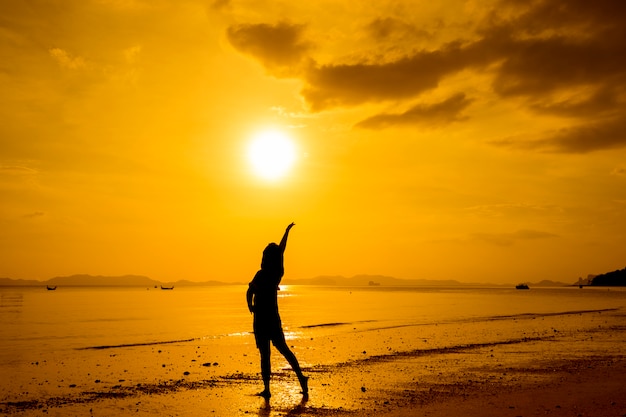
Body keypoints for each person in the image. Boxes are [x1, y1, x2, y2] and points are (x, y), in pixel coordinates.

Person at [246, 222, 308, 399]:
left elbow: (249, 291)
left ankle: (272, 387)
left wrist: (250, 306)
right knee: (277, 351)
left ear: (267, 258)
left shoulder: (269, 274)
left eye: (265, 255)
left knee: (269, 354)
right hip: (267, 318)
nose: (264, 257)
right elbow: (249, 291)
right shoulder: (273, 275)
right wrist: (250, 305)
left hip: (265, 319)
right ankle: (291, 381)